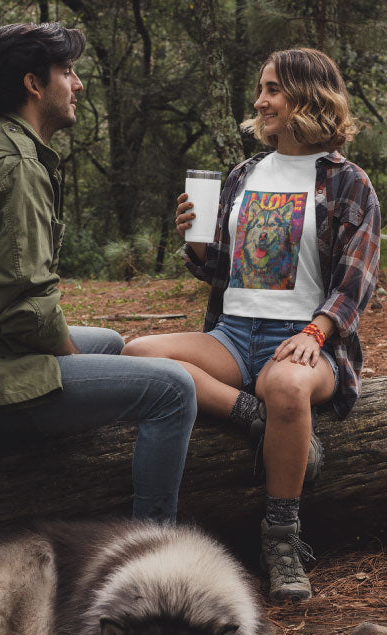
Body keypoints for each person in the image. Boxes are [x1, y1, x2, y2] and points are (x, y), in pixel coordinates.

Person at [0, 22, 197, 523]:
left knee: (113, 342)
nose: (78, 85)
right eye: (68, 72)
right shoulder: (15, 166)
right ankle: (151, 547)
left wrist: (76, 358)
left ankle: (73, 485)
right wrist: (67, 359)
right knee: (174, 389)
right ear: (34, 84)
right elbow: (26, 312)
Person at [125, 48, 380, 601]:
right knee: (138, 355)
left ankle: (282, 537)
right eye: (260, 91)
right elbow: (222, 268)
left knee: (288, 384)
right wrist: (195, 243)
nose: (260, 102)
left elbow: (356, 281)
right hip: (234, 334)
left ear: (308, 97)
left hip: (305, 337)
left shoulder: (347, 182)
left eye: (272, 90)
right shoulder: (245, 174)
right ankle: (255, 419)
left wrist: (315, 334)